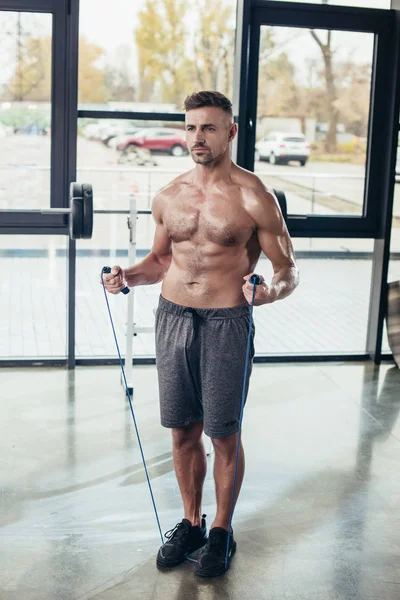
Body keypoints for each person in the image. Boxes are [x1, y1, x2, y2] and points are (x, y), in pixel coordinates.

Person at [102, 90, 299, 577]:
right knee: (182, 430)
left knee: (222, 432)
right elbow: (160, 261)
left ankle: (221, 532)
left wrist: (269, 292)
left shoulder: (254, 196)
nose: (197, 137)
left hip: (226, 322)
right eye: (190, 127)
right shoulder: (168, 195)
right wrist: (127, 275)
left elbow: (287, 268)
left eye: (209, 128)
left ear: (230, 132)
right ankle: (191, 521)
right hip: (173, 318)